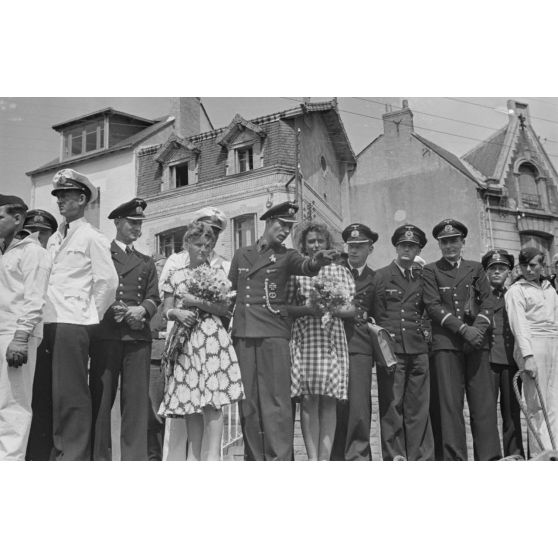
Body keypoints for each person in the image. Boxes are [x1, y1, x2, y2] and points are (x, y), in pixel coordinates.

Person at [229, 201, 338, 460]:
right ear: (267, 222)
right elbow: (229, 293)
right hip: (244, 333)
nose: (285, 231)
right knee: (250, 403)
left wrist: (317, 261)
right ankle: (254, 459)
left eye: (289, 227)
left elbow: (305, 266)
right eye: (281, 225)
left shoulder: (288, 255)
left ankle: (279, 459)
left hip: (273, 333)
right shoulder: (241, 254)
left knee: (277, 402)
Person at [27, 169, 118, 461]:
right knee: (49, 393)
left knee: (71, 395)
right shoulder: (55, 238)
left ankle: (74, 456)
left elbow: (108, 282)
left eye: (66, 196)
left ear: (81, 199)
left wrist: (89, 315)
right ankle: (53, 454)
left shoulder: (92, 237)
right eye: (58, 196)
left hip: (74, 323)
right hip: (50, 321)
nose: (60, 201)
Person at [158, 222, 243, 460]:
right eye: (198, 245)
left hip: (210, 339)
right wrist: (177, 313)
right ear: (187, 245)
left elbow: (224, 308)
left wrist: (194, 301)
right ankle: (193, 458)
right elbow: (166, 310)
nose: (203, 250)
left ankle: (213, 458)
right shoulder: (175, 275)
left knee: (212, 399)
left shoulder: (217, 274)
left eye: (208, 245)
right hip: (185, 342)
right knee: (191, 400)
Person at [423, 219, 500, 461]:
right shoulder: (431, 270)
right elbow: (433, 306)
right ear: (439, 245)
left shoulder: (476, 268)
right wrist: (462, 329)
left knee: (484, 406)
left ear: (462, 242)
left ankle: (489, 459)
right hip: (447, 344)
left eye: (454, 241)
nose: (449, 246)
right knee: (450, 408)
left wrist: (476, 330)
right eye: (444, 242)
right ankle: (453, 460)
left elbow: (488, 302)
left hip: (477, 344)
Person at [89, 198, 160, 460]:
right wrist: (117, 309)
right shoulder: (102, 254)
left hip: (138, 337)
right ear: (117, 222)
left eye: (140, 223)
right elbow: (95, 289)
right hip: (107, 335)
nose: (136, 228)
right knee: (101, 400)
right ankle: (99, 460)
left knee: (136, 403)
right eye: (132, 222)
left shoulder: (145, 261)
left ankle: (134, 461)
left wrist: (142, 310)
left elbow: (154, 296)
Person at [286, 221, 355, 460]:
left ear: (327, 243)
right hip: (306, 338)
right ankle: (313, 458)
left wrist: (331, 308)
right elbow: (287, 308)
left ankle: (324, 459)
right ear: (304, 245)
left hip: (332, 338)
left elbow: (351, 309)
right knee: (308, 399)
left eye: (320, 241)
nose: (316, 245)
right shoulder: (298, 270)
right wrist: (308, 308)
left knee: (329, 399)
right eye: (311, 241)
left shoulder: (340, 271)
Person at [374, 224, 434, 461]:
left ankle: (419, 457)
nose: (407, 249)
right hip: (392, 351)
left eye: (412, 246)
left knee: (418, 408)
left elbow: (428, 309)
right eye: (403, 245)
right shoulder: (382, 276)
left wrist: (426, 334)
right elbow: (377, 315)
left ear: (418, 249)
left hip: (418, 349)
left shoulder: (423, 278)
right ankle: (394, 457)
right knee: (392, 406)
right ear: (396, 247)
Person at [0, 195, 51, 460]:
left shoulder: (34, 253)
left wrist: (21, 337)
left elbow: (35, 298)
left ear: (18, 219)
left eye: (0, 217)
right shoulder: (4, 251)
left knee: (14, 405)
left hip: (16, 334)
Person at [331, 223, 385, 461]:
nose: (354, 251)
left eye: (360, 247)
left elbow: (380, 317)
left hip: (359, 347)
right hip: (331, 346)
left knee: (359, 407)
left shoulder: (375, 278)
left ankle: (359, 457)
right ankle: (335, 457)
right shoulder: (334, 272)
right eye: (351, 246)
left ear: (370, 249)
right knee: (334, 405)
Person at [505, 247, 558, 454]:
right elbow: (519, 325)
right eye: (524, 265)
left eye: (533, 265)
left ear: (542, 265)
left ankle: (554, 452)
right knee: (537, 405)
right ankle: (541, 455)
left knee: (554, 402)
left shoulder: (550, 288)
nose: (528, 269)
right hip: (532, 344)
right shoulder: (516, 290)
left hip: (554, 342)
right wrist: (528, 356)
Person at [481, 249, 524, 458]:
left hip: (510, 360)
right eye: (493, 268)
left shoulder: (514, 296)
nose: (497, 272)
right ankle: (491, 457)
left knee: (512, 413)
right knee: (486, 413)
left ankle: (514, 454)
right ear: (486, 272)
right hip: (486, 361)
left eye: (502, 268)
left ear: (509, 272)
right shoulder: (480, 295)